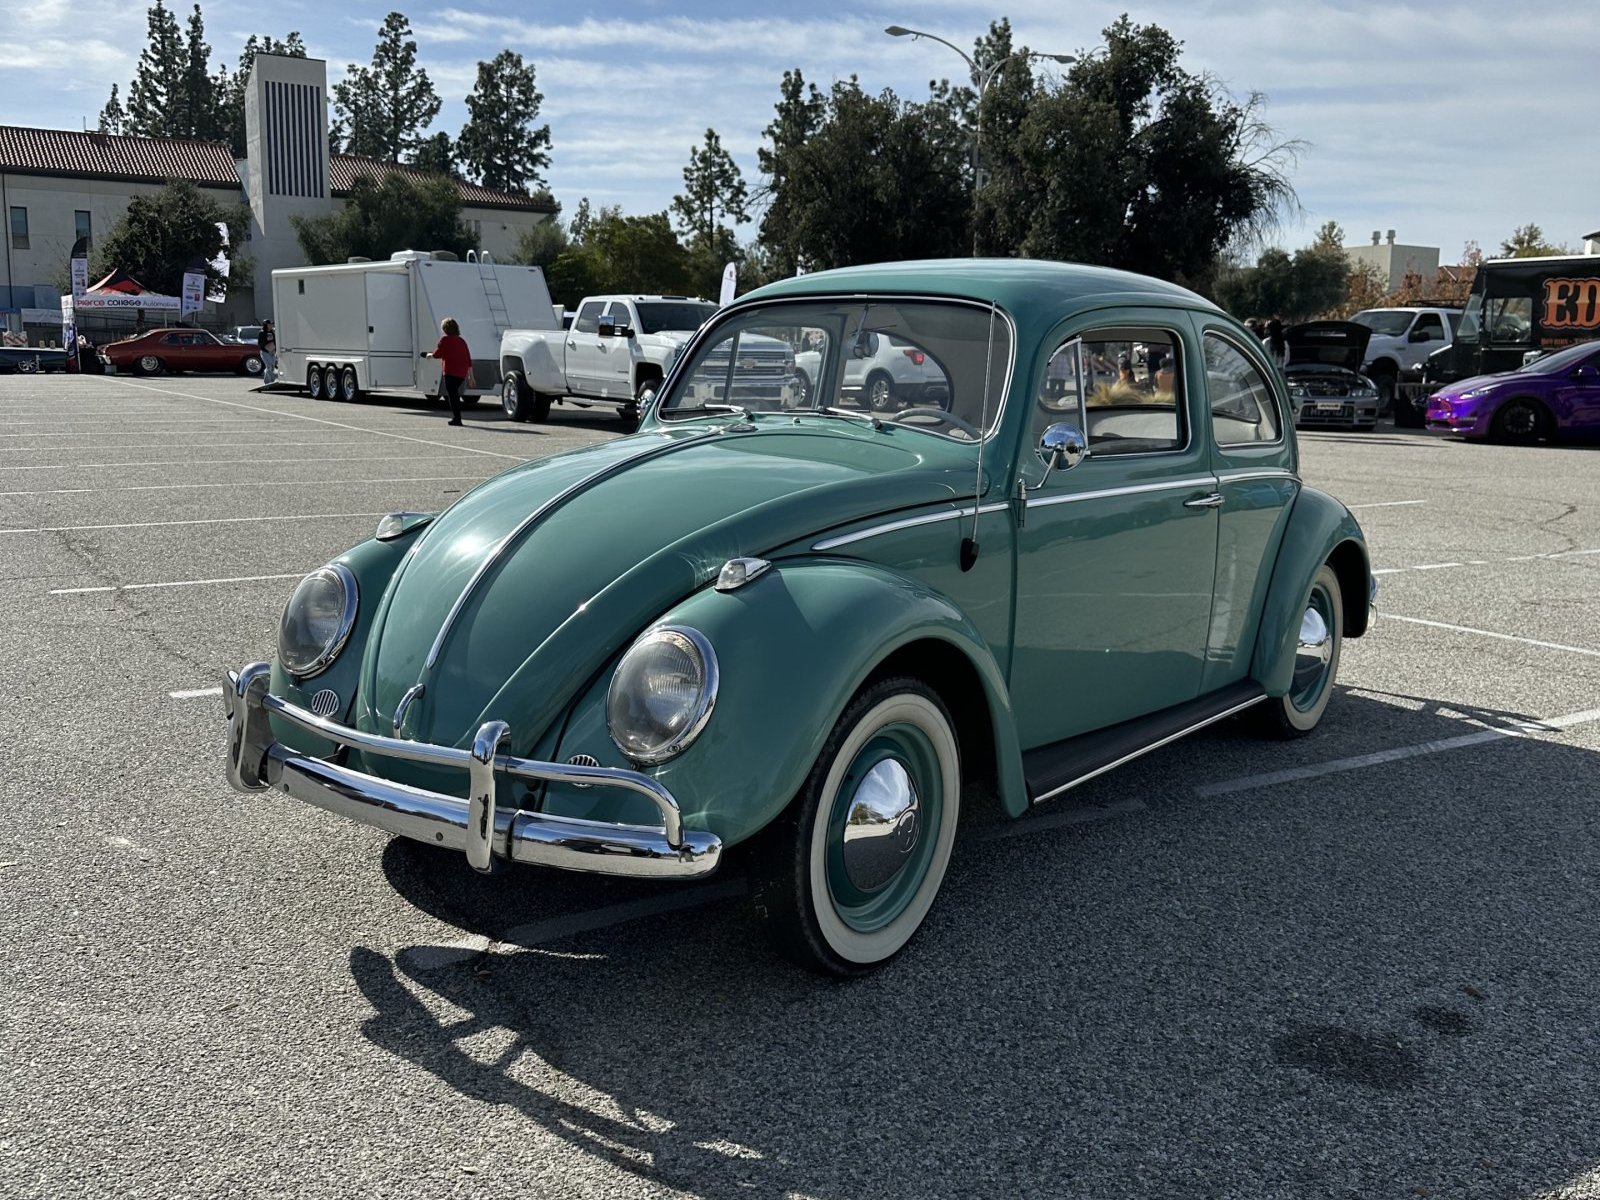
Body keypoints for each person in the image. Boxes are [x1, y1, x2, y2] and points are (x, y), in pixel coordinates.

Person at [423, 317, 473, 426]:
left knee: (453, 395)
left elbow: (437, 354)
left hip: (450, 372)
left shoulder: (445, 340)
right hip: (461, 373)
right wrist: (471, 376)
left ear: (445, 329)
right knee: (455, 394)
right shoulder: (462, 341)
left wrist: (428, 355)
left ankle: (457, 418)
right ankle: (457, 417)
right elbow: (468, 358)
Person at [256, 320, 277, 388]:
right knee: (269, 366)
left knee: (272, 367)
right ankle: (272, 381)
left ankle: (267, 382)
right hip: (265, 352)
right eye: (269, 324)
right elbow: (259, 343)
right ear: (266, 325)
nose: (271, 325)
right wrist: (267, 339)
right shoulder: (262, 332)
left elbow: (275, 341)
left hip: (272, 351)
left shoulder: (272, 332)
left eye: (271, 324)